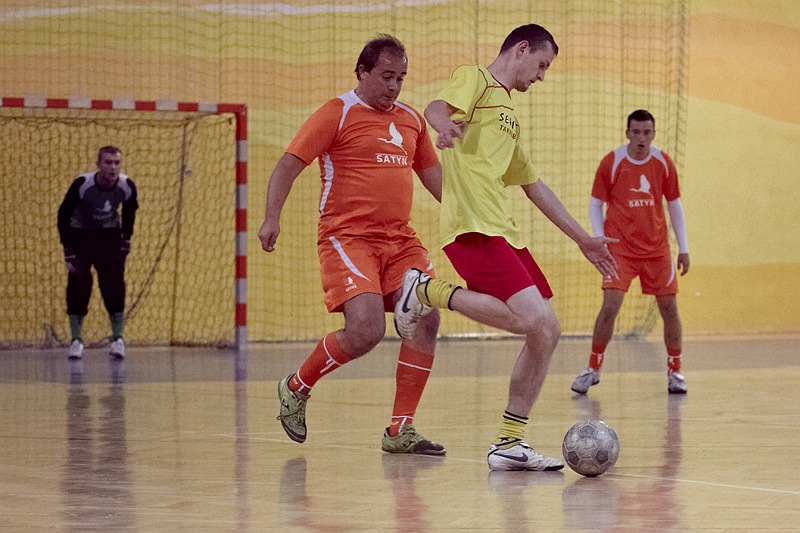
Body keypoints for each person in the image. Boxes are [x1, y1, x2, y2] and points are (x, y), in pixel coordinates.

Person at [395, 23, 619, 472]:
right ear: (521, 49)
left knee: (547, 331)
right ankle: (424, 291)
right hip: (473, 225)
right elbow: (435, 106)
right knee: (533, 320)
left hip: (505, 231)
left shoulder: (510, 117)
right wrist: (442, 126)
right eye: (542, 65)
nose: (541, 76)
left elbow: (534, 186)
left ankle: (509, 443)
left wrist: (583, 239)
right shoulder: (477, 79)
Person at [258, 34, 445, 455]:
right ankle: (296, 386)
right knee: (366, 330)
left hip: (401, 241)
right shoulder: (337, 112)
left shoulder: (412, 121)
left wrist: (474, 221)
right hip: (348, 238)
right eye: (386, 76)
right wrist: (272, 217)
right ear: (362, 72)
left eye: (401, 78)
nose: (394, 86)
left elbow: (436, 180)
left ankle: (400, 429)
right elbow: (288, 165)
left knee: (425, 317)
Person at [571, 109, 690, 395]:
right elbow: (595, 203)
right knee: (610, 305)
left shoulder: (663, 163)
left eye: (646, 132)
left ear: (654, 134)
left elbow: (674, 204)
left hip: (656, 250)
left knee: (669, 307)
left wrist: (684, 248)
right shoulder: (612, 162)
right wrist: (600, 240)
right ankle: (592, 369)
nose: (641, 138)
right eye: (635, 132)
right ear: (627, 133)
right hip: (620, 250)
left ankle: (675, 372)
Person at [57, 145, 138, 360]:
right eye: (108, 163)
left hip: (108, 237)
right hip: (81, 236)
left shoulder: (126, 186)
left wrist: (126, 241)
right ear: (98, 165)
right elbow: (63, 215)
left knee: (114, 285)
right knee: (79, 285)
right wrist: (68, 249)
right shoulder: (83, 184)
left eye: (117, 163)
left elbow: (130, 212)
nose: (113, 167)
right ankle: (76, 340)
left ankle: (118, 339)